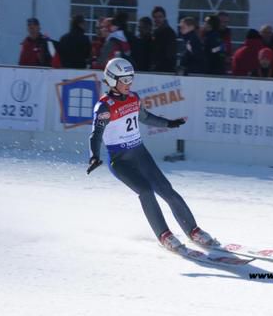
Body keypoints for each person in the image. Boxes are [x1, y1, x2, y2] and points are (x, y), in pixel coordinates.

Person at [87, 58, 217, 251]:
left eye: (131, 79)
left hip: (140, 154)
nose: (129, 84)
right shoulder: (105, 107)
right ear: (112, 80)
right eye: (124, 80)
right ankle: (164, 234)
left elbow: (146, 118)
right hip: (120, 161)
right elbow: (96, 134)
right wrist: (94, 155)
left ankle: (193, 230)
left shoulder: (133, 98)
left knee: (166, 189)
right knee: (146, 192)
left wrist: (169, 123)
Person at [151, 6, 177, 73]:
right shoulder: (155, 32)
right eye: (155, 17)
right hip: (158, 68)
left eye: (160, 17)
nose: (157, 19)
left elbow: (170, 54)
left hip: (165, 70)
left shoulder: (169, 32)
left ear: (164, 17)